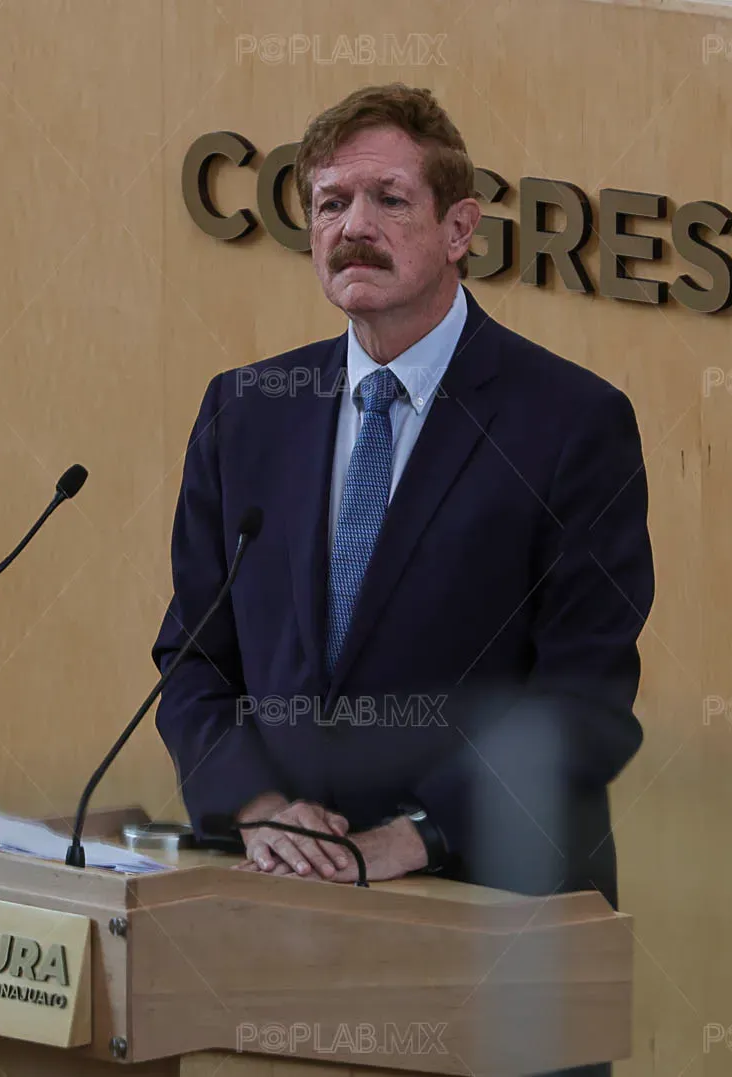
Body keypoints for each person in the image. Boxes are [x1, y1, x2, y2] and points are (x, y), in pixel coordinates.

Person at [153, 83, 652, 1075]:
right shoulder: (247, 412)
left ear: (460, 227)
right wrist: (257, 806)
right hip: (282, 924)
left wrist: (410, 837)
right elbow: (194, 661)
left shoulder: (569, 422)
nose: (354, 228)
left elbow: (584, 703)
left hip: (493, 928)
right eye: (331, 203)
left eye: (389, 199)